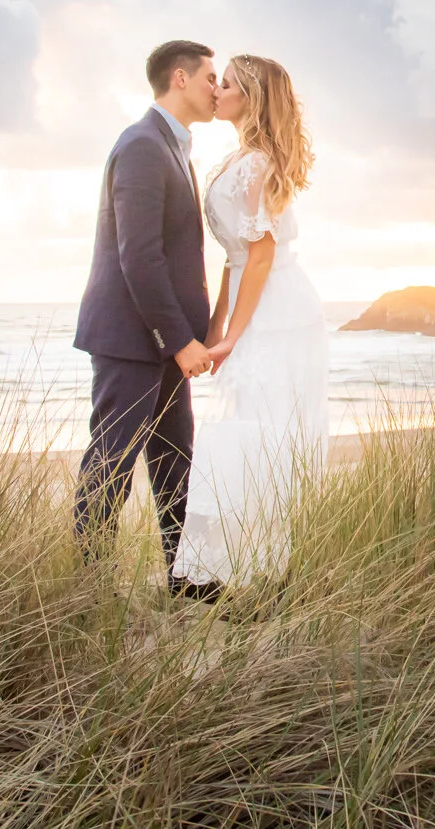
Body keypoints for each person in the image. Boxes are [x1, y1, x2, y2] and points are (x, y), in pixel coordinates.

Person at [173, 54, 329, 594]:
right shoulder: (242, 158)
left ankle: (262, 573)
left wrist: (234, 336)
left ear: (252, 98)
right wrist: (215, 332)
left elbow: (259, 257)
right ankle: (240, 568)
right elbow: (234, 261)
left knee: (265, 432)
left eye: (229, 84)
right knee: (251, 432)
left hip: (277, 311)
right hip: (251, 299)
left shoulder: (258, 164)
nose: (217, 90)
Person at [73, 39, 219, 596]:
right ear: (179, 79)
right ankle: (90, 591)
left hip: (161, 344)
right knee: (110, 465)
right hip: (133, 340)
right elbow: (140, 256)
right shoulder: (140, 144)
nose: (216, 89)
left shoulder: (175, 148)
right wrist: (178, 339)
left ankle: (187, 581)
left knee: (176, 465)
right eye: (210, 78)